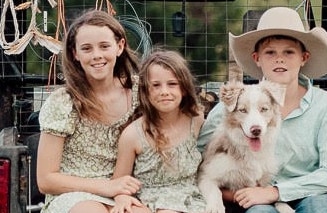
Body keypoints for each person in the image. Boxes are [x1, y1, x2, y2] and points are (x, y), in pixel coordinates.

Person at [198, 7, 327, 213]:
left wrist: (276, 192)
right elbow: (199, 158)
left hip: (308, 192)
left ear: (304, 57)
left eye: (289, 52)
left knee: (317, 206)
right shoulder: (233, 108)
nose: (279, 59)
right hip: (253, 196)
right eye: (270, 52)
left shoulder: (325, 105)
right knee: (260, 211)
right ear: (257, 58)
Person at [36, 10, 144, 213]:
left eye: (104, 46)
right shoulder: (64, 101)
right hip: (72, 194)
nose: (97, 55)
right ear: (75, 53)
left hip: (124, 191)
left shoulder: (140, 92)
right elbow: (46, 179)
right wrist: (108, 187)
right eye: (86, 48)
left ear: (119, 47)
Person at [112, 49, 206, 213]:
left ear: (183, 88)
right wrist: (123, 197)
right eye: (155, 85)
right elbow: (119, 181)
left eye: (172, 84)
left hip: (191, 200)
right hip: (150, 202)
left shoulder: (195, 120)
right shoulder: (133, 135)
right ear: (146, 92)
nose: (164, 91)